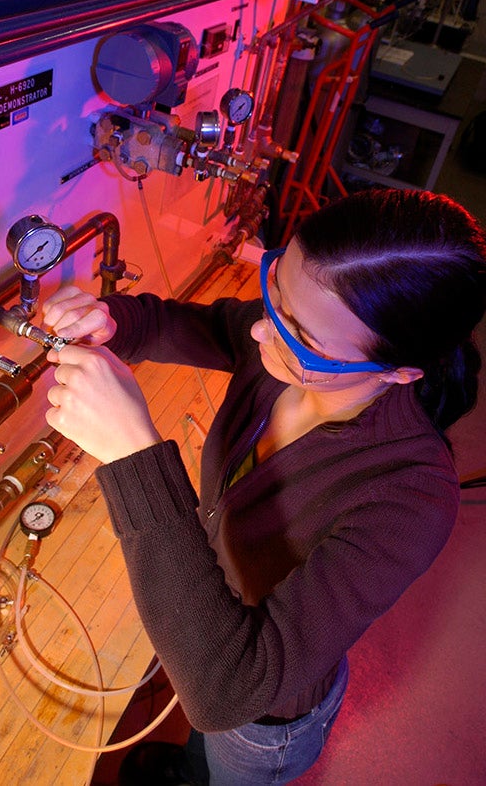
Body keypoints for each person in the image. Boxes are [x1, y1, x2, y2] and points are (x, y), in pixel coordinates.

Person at [41, 189, 486, 786]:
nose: (261, 333)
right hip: (211, 616)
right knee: (199, 738)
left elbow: (229, 690)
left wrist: (135, 458)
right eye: (274, 291)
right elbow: (188, 325)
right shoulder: (277, 346)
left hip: (263, 716)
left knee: (228, 756)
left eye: (301, 336)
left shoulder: (412, 497)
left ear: (398, 372)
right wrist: (113, 321)